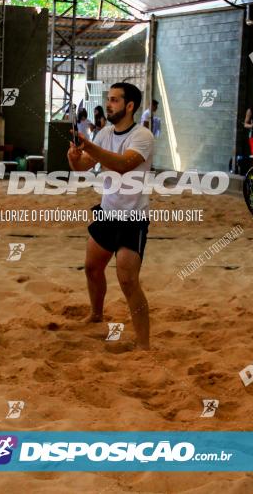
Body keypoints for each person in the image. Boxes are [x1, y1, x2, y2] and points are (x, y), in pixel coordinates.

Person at [67, 82, 154, 351]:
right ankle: (96, 314)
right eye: (108, 99)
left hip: (132, 219)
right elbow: (82, 166)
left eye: (115, 100)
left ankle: (143, 345)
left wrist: (88, 146)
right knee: (92, 268)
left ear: (130, 106)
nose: (109, 103)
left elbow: (122, 165)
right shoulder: (105, 133)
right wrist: (73, 156)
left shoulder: (143, 136)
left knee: (128, 281)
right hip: (107, 213)